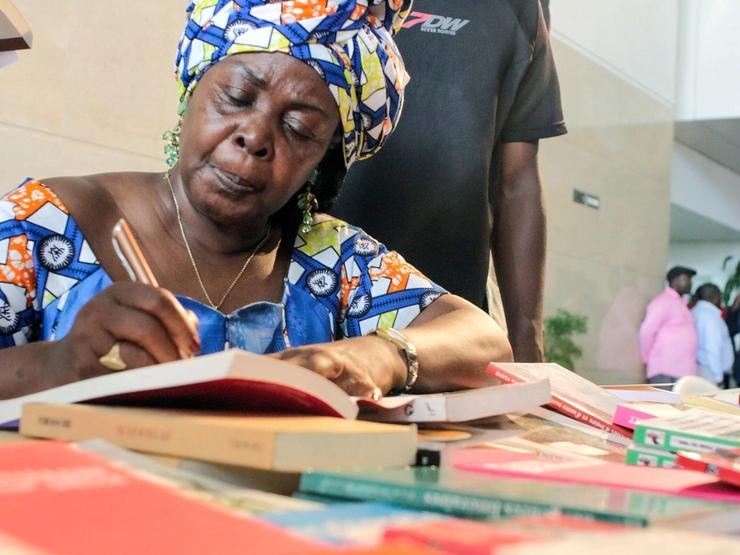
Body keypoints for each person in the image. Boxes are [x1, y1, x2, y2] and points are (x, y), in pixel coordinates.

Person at [0, 0, 512, 401]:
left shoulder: (329, 260)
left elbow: (482, 339)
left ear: (323, 161)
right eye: (237, 98)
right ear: (191, 92)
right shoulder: (45, 222)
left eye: (298, 128)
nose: (255, 136)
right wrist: (56, 364)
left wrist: (381, 355)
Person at [333, 0, 567, 362]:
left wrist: (526, 342)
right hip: (316, 297)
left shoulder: (518, 8)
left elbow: (518, 180)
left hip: (447, 326)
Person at [639, 266, 698, 384]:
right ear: (675, 281)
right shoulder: (663, 301)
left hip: (683, 371)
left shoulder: (681, 303)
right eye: (686, 279)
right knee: (662, 403)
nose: (690, 283)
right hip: (665, 370)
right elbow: (646, 332)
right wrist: (647, 359)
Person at [691, 283, 734, 388]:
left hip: (702, 368)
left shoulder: (695, 311)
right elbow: (713, 348)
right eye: (720, 296)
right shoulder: (710, 317)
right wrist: (718, 377)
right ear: (714, 296)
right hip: (710, 372)